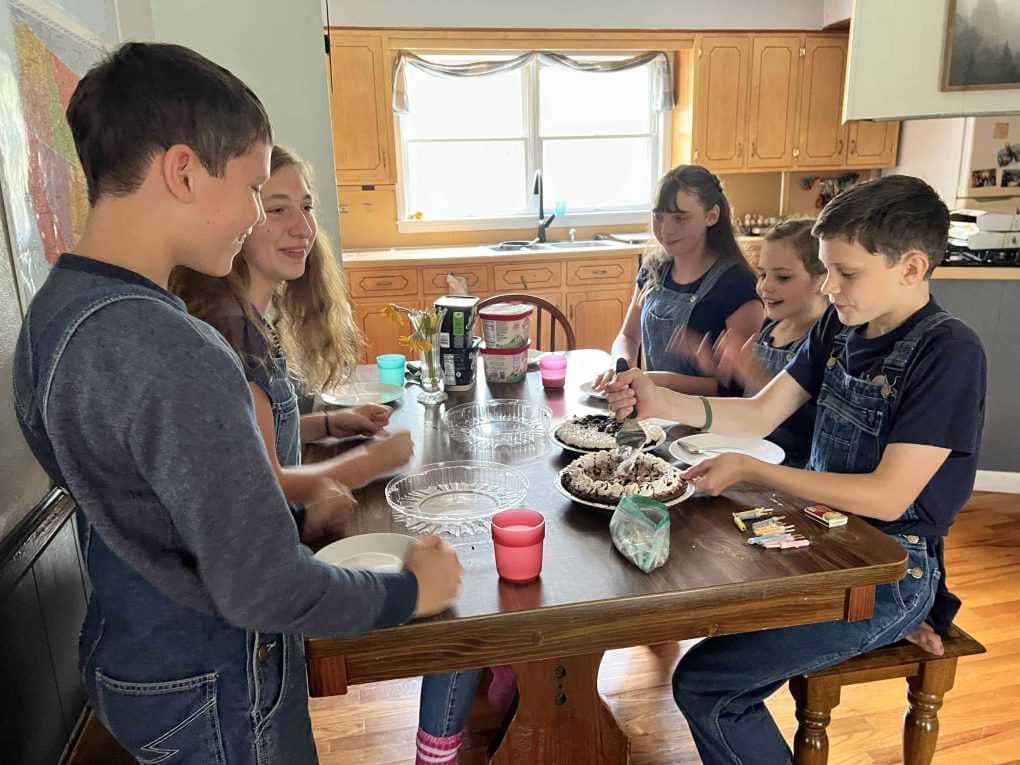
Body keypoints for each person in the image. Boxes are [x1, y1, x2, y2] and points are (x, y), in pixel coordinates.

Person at [12, 42, 461, 764]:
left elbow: (152, 500)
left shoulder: (55, 313)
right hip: (214, 682)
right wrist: (408, 591)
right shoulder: (175, 348)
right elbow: (265, 587)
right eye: (254, 188)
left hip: (130, 655)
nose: (257, 215)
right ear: (184, 171)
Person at [602, 175, 986, 764]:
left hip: (890, 571)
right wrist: (660, 397)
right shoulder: (840, 327)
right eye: (827, 271)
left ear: (911, 267)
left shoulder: (948, 352)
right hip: (821, 539)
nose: (829, 288)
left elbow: (886, 498)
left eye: (846, 274)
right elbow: (759, 413)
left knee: (706, 684)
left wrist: (757, 475)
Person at [171, 145, 412, 533]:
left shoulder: (247, 316)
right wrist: (375, 461)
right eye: (278, 208)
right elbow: (265, 483)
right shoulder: (229, 329)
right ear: (239, 219)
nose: (303, 228)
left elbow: (248, 439)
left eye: (307, 206)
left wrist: (330, 424)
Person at [597, 165, 762, 394]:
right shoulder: (653, 268)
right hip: (655, 413)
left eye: (679, 218)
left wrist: (655, 382)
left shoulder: (737, 285)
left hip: (708, 424)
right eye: (658, 216)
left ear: (711, 216)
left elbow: (735, 388)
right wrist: (620, 367)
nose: (665, 230)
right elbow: (628, 336)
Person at [686, 219, 828, 467]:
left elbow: (815, 428)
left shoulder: (824, 343)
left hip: (790, 471)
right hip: (749, 455)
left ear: (821, 279)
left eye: (783, 277)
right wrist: (724, 372)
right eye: (762, 274)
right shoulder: (769, 328)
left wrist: (758, 378)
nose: (765, 287)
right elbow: (742, 401)